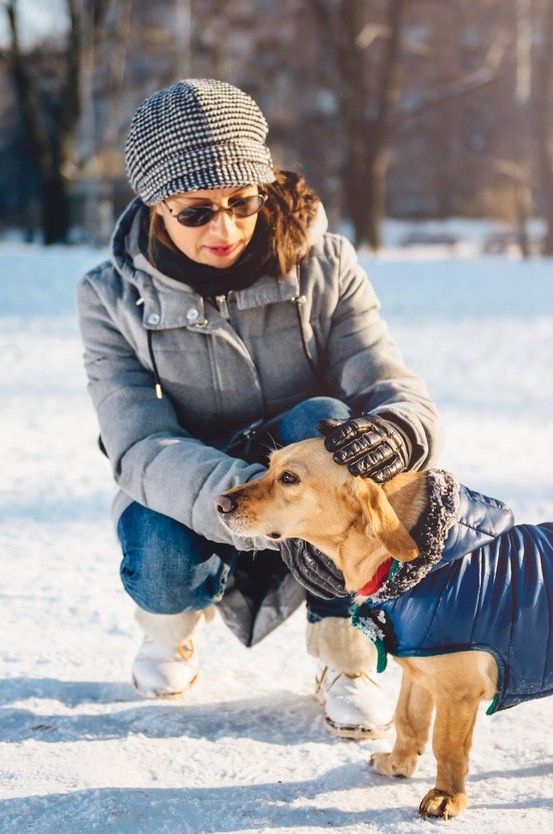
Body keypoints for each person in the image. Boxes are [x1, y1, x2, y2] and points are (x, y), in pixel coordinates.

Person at [77, 78, 440, 739]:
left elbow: (386, 376)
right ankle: (171, 627)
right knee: (159, 560)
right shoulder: (108, 297)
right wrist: (245, 500)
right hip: (195, 485)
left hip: (308, 483)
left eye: (243, 202)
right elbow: (136, 442)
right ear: (156, 206)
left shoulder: (324, 263)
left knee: (324, 417)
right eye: (196, 212)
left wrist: (398, 431)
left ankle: (345, 654)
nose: (226, 228)